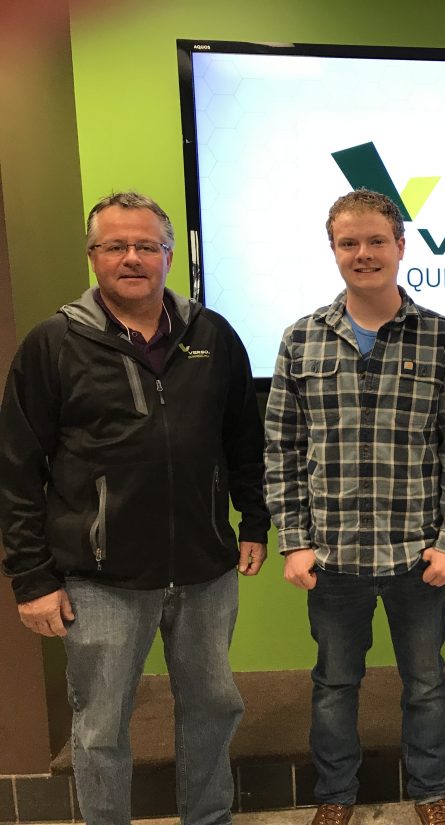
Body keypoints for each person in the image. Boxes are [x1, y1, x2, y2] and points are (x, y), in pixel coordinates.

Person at [0, 191, 269, 825]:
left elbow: (243, 439)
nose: (132, 258)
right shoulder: (53, 344)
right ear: (92, 255)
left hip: (205, 570)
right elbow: (17, 469)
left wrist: (253, 522)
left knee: (213, 708)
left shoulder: (213, 335)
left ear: (169, 255)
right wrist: (32, 579)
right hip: (100, 580)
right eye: (115, 245)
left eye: (147, 245)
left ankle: (208, 819)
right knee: (100, 727)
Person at [264, 189, 445, 825]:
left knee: (426, 684)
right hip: (332, 558)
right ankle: (336, 799)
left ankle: (432, 795)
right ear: (333, 250)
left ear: (401, 246)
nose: (364, 253)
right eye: (349, 242)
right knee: (335, 686)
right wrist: (293, 540)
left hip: (417, 555)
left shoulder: (442, 339)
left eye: (376, 241)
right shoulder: (301, 339)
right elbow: (281, 447)